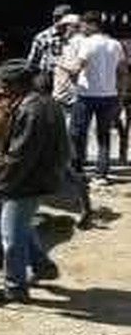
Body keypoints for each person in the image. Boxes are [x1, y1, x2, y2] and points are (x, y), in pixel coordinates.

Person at [0, 61, 69, 305]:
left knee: (10, 236)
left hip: (27, 182)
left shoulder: (31, 110)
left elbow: (20, 157)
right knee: (20, 225)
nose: (1, 88)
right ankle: (42, 265)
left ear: (16, 85)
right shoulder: (46, 102)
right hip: (42, 177)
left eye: (4, 83)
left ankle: (15, 287)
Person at [67, 12, 126, 186]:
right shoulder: (115, 44)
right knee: (104, 135)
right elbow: (122, 72)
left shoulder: (87, 44)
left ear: (92, 25)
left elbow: (77, 68)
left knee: (77, 133)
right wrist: (120, 95)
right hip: (109, 95)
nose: (81, 28)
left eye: (83, 25)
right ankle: (101, 174)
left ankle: (77, 170)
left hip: (86, 95)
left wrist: (65, 69)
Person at [53, 16, 96, 228]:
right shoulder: (69, 43)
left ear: (73, 27)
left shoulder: (80, 43)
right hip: (63, 99)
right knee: (64, 150)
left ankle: (83, 203)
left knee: (65, 151)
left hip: (71, 101)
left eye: (64, 26)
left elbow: (76, 69)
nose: (61, 30)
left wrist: (58, 62)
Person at [27, 5, 74, 92]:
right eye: (55, 17)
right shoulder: (43, 36)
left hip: (67, 78)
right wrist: (33, 77)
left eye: (60, 17)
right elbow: (32, 61)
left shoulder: (77, 37)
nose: (56, 20)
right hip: (46, 77)